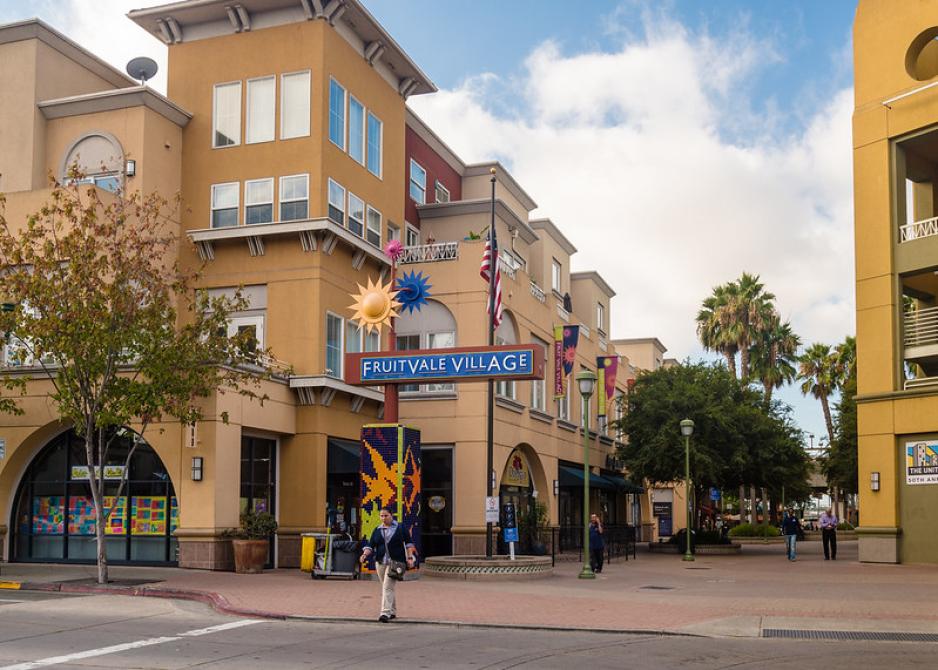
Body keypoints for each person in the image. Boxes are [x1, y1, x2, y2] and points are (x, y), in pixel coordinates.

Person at [360, 506, 417, 622]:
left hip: (396, 562)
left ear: (391, 515)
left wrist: (410, 558)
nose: (383, 518)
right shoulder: (377, 530)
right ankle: (392, 611)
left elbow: (409, 544)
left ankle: (385, 613)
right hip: (381, 563)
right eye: (381, 516)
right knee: (387, 587)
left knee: (387, 587)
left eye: (386, 515)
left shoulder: (400, 528)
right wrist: (365, 555)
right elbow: (371, 545)